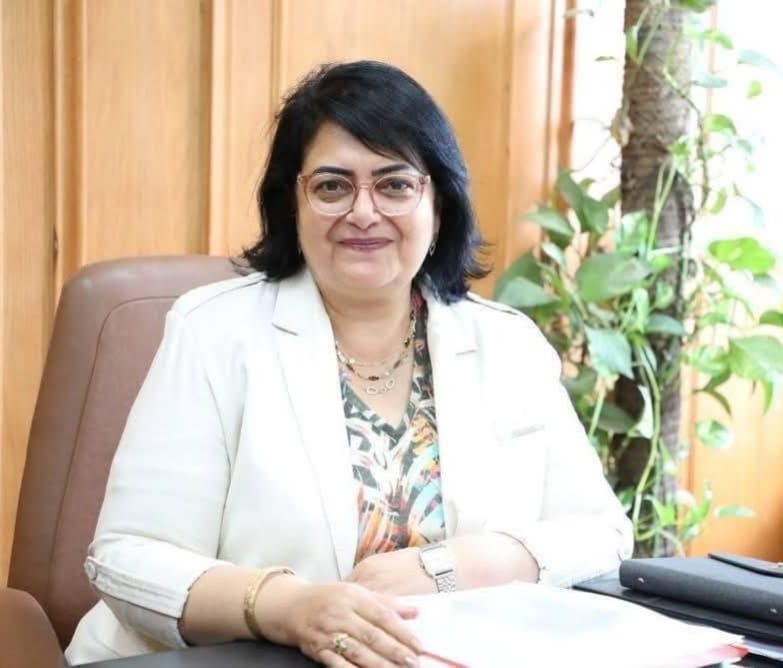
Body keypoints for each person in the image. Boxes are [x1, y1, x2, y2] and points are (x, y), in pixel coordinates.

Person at [65, 60, 633, 667]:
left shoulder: (507, 344)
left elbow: (600, 533)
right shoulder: (212, 332)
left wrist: (448, 566)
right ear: (293, 204)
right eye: (333, 186)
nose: (364, 211)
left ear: (438, 205)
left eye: (395, 185)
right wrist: (286, 607)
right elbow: (127, 557)